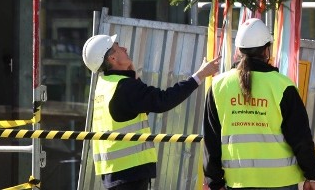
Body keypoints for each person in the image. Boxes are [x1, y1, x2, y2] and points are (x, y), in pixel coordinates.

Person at [82, 33, 220, 190]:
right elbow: (163, 100)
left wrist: (133, 76)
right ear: (112, 59)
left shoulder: (105, 84)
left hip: (115, 173)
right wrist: (200, 75)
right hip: (130, 174)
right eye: (117, 46)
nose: (124, 48)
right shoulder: (124, 87)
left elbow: (137, 109)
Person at [203, 18, 315, 190]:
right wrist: (311, 175)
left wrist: (214, 182)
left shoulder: (218, 86)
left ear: (238, 51)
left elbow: (211, 140)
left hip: (238, 182)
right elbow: (301, 138)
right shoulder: (283, 86)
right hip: (281, 182)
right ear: (267, 50)